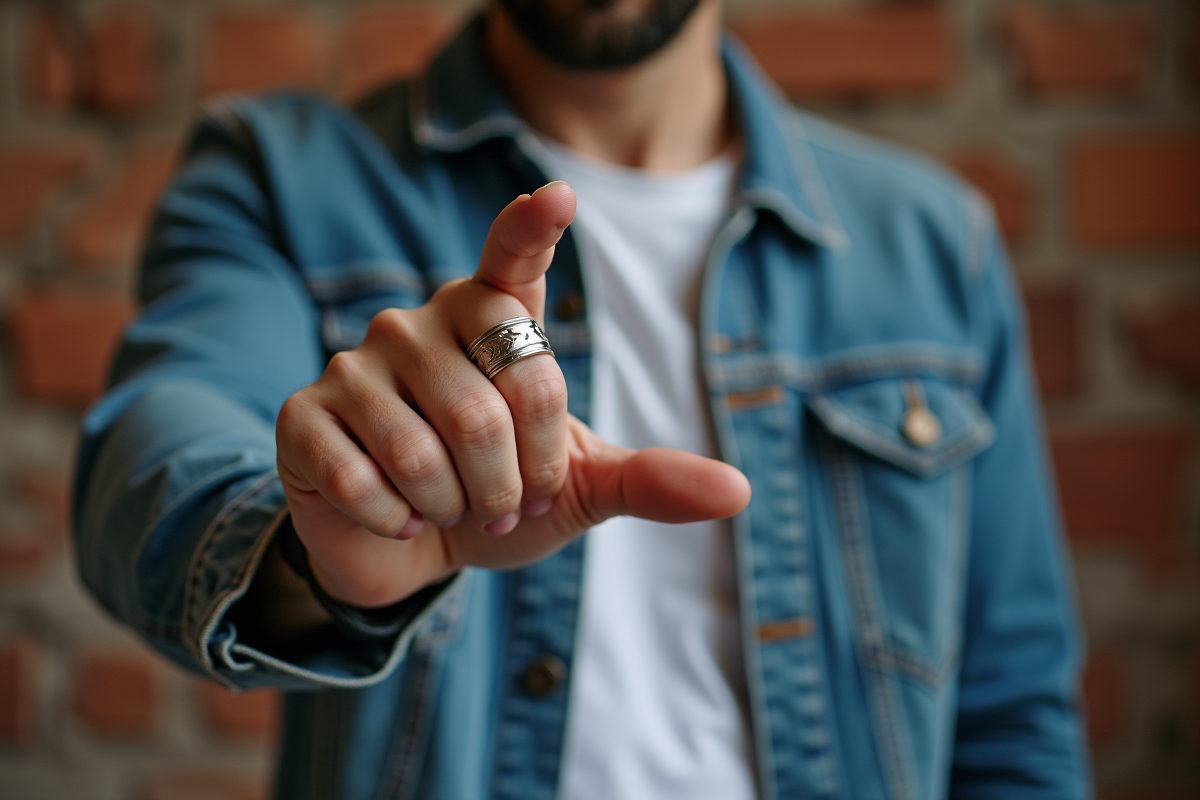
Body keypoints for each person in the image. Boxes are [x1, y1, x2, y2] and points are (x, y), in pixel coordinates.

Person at [74, 0, 1092, 797]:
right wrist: (313, 553)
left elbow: (1013, 714)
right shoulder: (281, 178)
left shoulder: (931, 242)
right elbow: (157, 457)